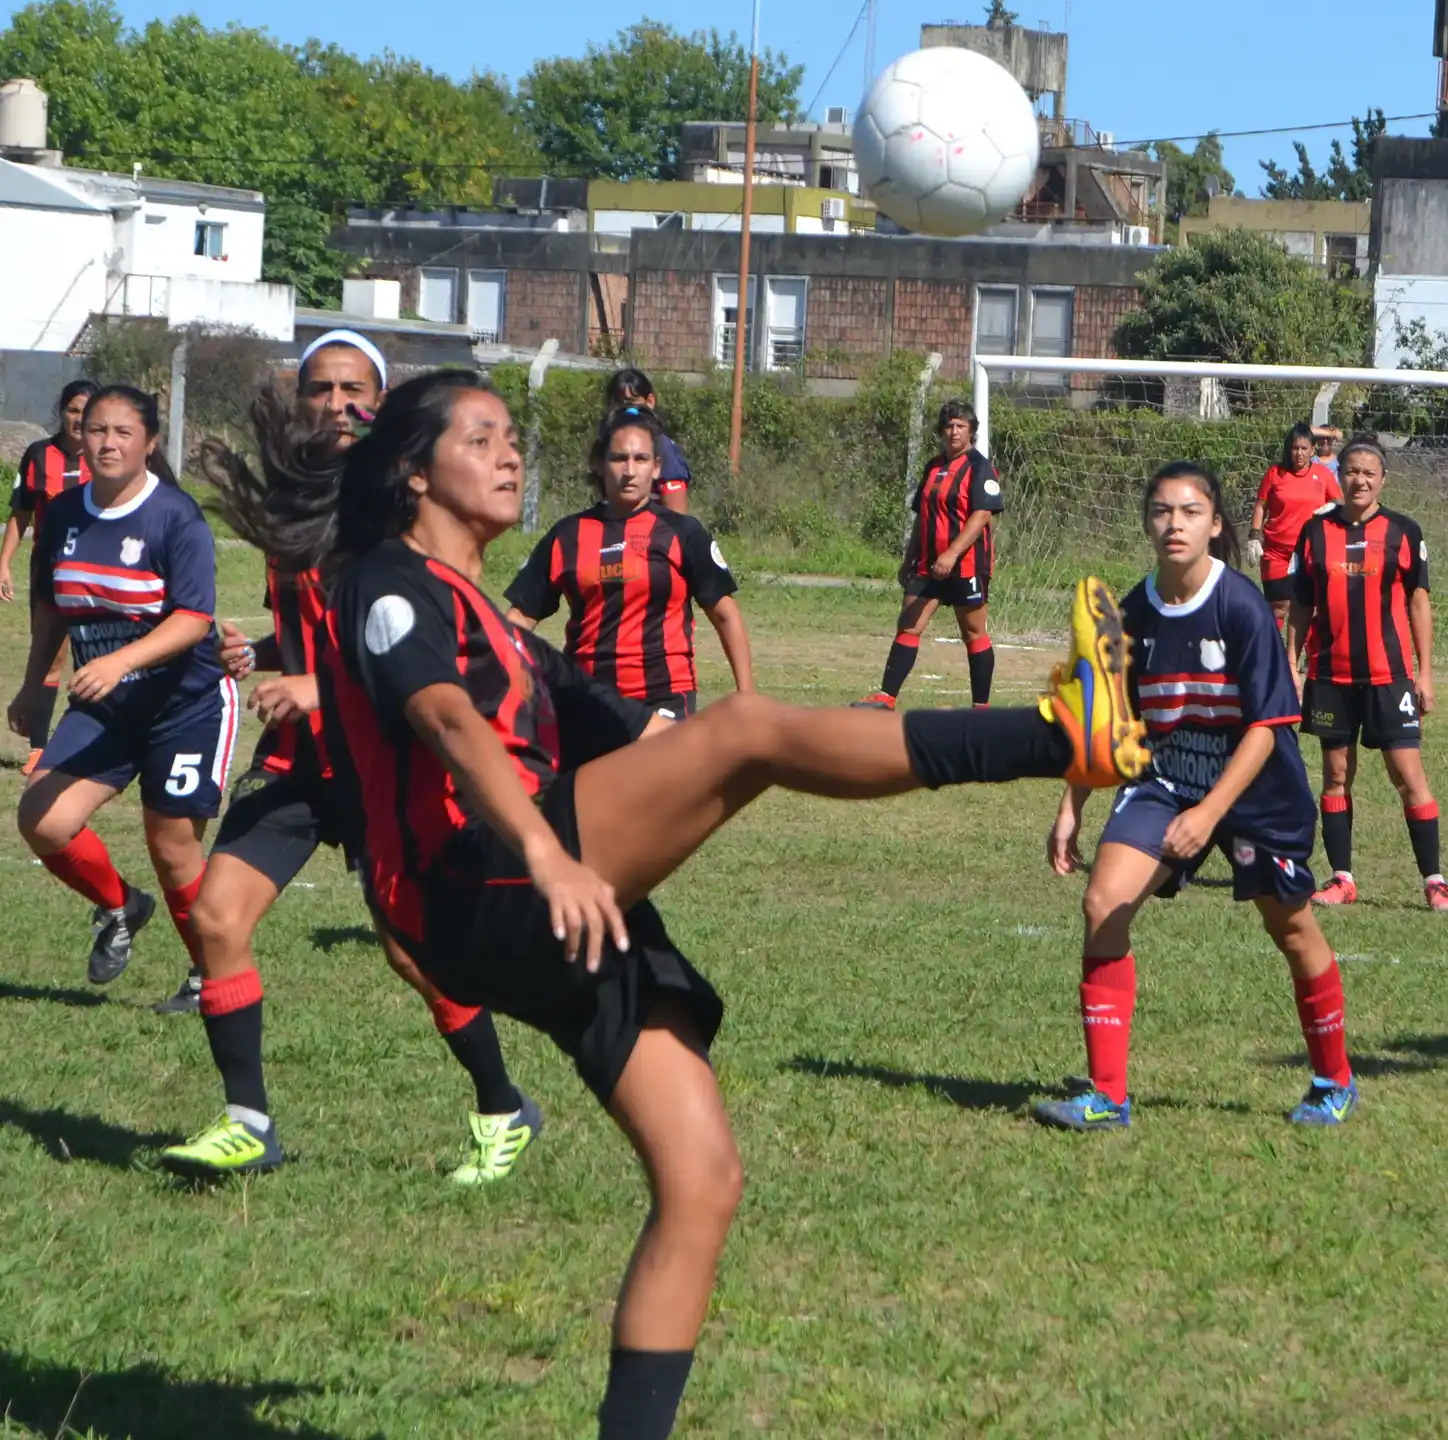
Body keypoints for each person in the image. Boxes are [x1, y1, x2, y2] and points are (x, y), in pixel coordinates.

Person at [203, 366, 1149, 1440]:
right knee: (746, 733)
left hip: (547, 894)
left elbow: (632, 733)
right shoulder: (386, 582)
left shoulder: (504, 626)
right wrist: (549, 855)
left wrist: (665, 766)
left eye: (515, 435)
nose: (513, 453)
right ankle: (1057, 734)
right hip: (480, 882)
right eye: (482, 438)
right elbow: (446, 724)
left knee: (702, 1180)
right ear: (416, 474)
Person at [160, 330, 541, 1185]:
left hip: (386, 763)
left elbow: (436, 651)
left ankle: (502, 1105)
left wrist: (320, 690)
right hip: (299, 764)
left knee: (415, 954)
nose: (337, 403)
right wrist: (262, 655)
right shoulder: (296, 513)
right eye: (321, 389)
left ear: (384, 402)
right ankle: (248, 1121)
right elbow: (319, 634)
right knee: (217, 916)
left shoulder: (408, 515)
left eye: (354, 388)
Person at [1037, 460, 1358, 1133]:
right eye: (1161, 511)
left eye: (1189, 512)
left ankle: (1334, 1077)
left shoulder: (1238, 604)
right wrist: (1072, 808)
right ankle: (1107, 1096)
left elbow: (1271, 729)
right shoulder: (1131, 612)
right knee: (1103, 904)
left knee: (1291, 927)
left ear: (1215, 525)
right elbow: (1107, 723)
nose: (1173, 523)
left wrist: (1209, 813)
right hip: (1163, 780)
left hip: (1253, 788)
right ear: (1147, 522)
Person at [6, 386, 236, 992]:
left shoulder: (175, 516)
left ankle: (209, 978)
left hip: (183, 706)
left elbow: (193, 619)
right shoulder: (62, 513)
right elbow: (52, 611)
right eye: (96, 430)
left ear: (149, 444)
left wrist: (121, 661)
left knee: (173, 850)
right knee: (42, 819)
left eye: (123, 432)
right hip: (105, 707)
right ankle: (120, 906)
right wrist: (34, 688)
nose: (107, 442)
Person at [1287, 434, 1448, 912]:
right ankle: (1342, 878)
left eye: (1368, 472)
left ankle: (1435, 881)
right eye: (1351, 471)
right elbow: (1301, 605)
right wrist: (1292, 666)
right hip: (1330, 677)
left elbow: (1419, 605)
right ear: (1338, 476)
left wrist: (1425, 674)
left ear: (1382, 479)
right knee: (1336, 775)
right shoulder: (1315, 533)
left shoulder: (1404, 531)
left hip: (1390, 678)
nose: (1359, 479)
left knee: (1408, 775)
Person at [505, 405, 753, 718]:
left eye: (641, 459)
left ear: (657, 467)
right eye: (619, 458)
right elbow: (520, 618)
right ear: (598, 463)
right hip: (587, 699)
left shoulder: (682, 533)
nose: (630, 470)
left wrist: (747, 696)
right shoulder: (567, 536)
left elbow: (725, 615)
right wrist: (496, 677)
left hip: (663, 699)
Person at [854, 399, 1004, 711]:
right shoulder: (933, 467)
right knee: (908, 625)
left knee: (973, 631)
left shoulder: (980, 467)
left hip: (966, 566)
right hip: (927, 564)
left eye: (961, 426)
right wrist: (909, 558)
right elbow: (922, 516)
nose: (954, 431)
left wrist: (951, 554)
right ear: (941, 430)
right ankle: (886, 697)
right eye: (949, 426)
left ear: (971, 431)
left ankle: (981, 708)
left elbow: (981, 516)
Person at [1, 379, 99, 775]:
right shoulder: (38, 455)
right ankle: (40, 749)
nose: (79, 419)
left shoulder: (107, 455)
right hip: (49, 572)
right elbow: (21, 513)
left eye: (87, 411)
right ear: (61, 411)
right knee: (49, 656)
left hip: (98, 571)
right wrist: (4, 561)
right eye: (73, 409)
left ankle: (97, 742)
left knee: (98, 656)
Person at [1246, 421, 1341, 637]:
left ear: (1312, 450)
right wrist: (1254, 536)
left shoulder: (1323, 475)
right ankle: (1270, 651)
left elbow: (1339, 502)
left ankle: (1308, 659)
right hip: (1276, 552)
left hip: (1310, 551)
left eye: (1304, 448)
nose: (1299, 453)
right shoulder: (1275, 473)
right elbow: (1261, 505)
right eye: (1295, 448)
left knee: (1310, 606)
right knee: (1279, 605)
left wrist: (1333, 507)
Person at [604, 368, 691, 513]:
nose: (625, 410)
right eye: (618, 404)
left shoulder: (662, 447)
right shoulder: (607, 443)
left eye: (631, 403)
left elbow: (678, 518)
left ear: (649, 401)